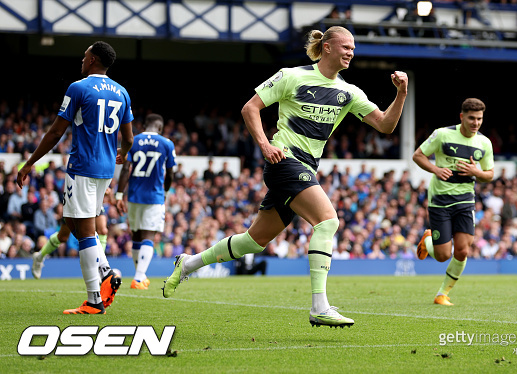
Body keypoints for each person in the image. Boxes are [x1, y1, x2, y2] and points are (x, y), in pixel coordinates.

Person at [162, 25, 409, 328]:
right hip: (284, 161)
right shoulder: (291, 75)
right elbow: (250, 108)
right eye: (346, 47)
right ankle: (319, 306)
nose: (351, 53)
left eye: (353, 49)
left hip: (305, 167)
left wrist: (401, 94)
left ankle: (188, 263)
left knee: (252, 242)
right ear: (328, 47)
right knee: (328, 221)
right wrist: (265, 145)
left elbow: (385, 125)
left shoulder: (349, 92)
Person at [17, 41, 134, 314]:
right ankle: (97, 293)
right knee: (74, 223)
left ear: (92, 59)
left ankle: (100, 284)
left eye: (84, 56)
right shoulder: (122, 92)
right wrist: (123, 153)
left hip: (82, 167)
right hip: (105, 170)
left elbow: (56, 132)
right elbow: (128, 138)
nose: (82, 60)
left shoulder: (78, 87)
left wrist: (29, 163)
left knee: (84, 234)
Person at [413, 98, 494, 306]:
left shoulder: (484, 143)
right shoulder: (443, 134)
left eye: (479, 119)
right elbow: (418, 155)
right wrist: (436, 169)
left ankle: (442, 294)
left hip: (465, 201)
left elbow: (490, 174)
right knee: (442, 255)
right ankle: (428, 240)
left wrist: (477, 172)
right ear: (462, 117)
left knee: (463, 250)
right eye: (472, 118)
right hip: (440, 201)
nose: (476, 123)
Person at [115, 113, 176, 290]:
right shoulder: (166, 143)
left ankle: (140, 276)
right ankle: (139, 277)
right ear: (160, 128)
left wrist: (119, 194)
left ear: (144, 126)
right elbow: (171, 173)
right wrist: (165, 191)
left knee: (136, 235)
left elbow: (126, 169)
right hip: (154, 196)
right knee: (149, 236)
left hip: (134, 195)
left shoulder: (133, 141)